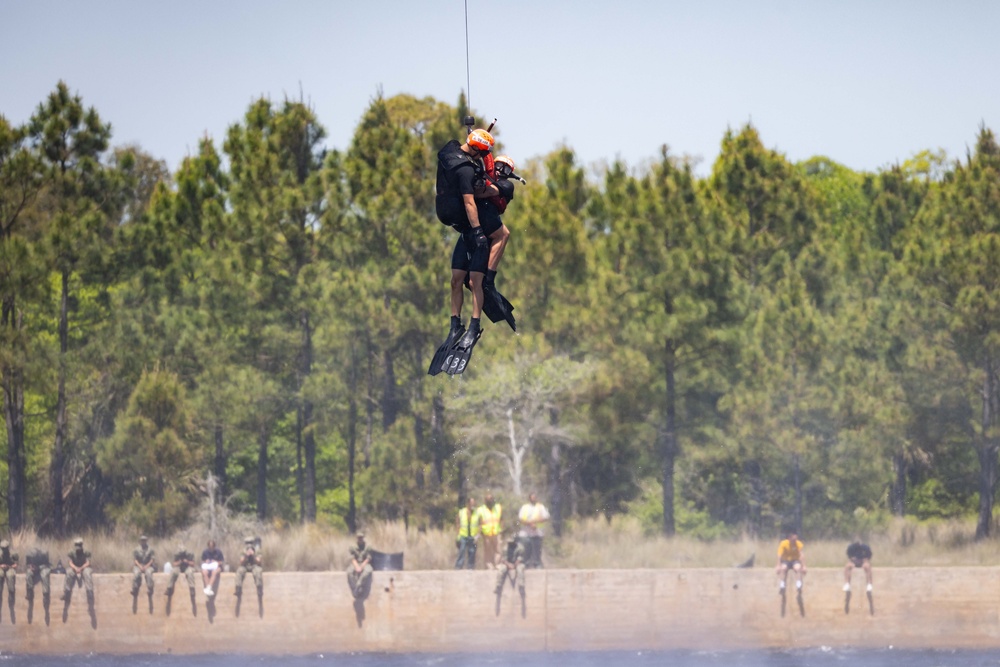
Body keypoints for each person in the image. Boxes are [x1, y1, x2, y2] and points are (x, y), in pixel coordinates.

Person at [429, 127, 502, 374]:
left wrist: (480, 232)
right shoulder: (466, 170)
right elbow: (470, 202)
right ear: (477, 151)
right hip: (469, 229)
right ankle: (455, 325)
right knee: (455, 280)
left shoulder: (449, 149)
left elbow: (478, 198)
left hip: (468, 229)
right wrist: (477, 230)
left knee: (474, 281)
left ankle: (473, 325)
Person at [61, 537, 94, 621]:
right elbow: (70, 562)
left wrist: (81, 568)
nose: (78, 548)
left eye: (79, 546)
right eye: (77, 546)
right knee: (68, 573)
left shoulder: (86, 552)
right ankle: (66, 593)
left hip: (84, 568)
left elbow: (88, 562)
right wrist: (75, 568)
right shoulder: (71, 552)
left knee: (87, 574)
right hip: (74, 568)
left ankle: (89, 592)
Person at [517, 493, 550, 568]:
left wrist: (536, 522)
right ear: (529, 499)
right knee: (525, 549)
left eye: (535, 497)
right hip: (525, 533)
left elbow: (546, 517)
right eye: (532, 497)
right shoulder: (524, 507)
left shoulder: (541, 507)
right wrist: (530, 524)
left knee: (537, 550)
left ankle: (537, 564)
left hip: (537, 532)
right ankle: (526, 564)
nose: (533, 499)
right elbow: (521, 518)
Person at [24, 546, 51, 625]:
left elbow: (47, 565)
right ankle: (29, 592)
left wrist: (38, 567)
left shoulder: (44, 554)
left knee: (44, 575)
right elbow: (27, 564)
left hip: (43, 568)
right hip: (34, 569)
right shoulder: (29, 555)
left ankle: (46, 594)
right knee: (28, 574)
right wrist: (31, 566)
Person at [477, 492, 504, 569]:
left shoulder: (498, 508)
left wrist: (501, 529)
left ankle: (497, 564)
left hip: (496, 532)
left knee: (498, 549)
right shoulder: (481, 510)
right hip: (486, 533)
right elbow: (479, 522)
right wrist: (480, 532)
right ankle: (489, 566)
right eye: (488, 499)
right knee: (488, 551)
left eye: (491, 499)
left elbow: (501, 519)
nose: (490, 501)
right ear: (485, 501)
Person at [455, 496, 480, 570]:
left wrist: (478, 535)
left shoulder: (477, 513)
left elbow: (480, 524)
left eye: (474, 503)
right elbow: (457, 523)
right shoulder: (462, 512)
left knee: (472, 552)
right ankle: (459, 566)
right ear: (468, 503)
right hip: (463, 535)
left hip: (473, 536)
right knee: (461, 550)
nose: (473, 505)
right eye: (471, 503)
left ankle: (470, 567)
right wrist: (458, 534)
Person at [346, 532, 373, 599]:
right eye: (359, 538)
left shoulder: (367, 546)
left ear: (363, 538)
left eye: (361, 538)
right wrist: (357, 566)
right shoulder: (352, 547)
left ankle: (358, 585)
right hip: (355, 563)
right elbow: (352, 558)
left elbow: (368, 558)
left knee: (368, 571)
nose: (360, 539)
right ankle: (355, 587)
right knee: (349, 572)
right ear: (357, 538)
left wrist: (362, 566)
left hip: (364, 563)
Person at [130, 535, 156, 604]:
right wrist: (140, 566)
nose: (143, 542)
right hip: (139, 565)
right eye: (142, 540)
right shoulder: (136, 549)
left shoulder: (150, 549)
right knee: (136, 573)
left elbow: (152, 560)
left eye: (144, 540)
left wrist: (146, 566)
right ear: (140, 541)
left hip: (148, 565)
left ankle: (150, 589)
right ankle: (134, 589)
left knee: (148, 573)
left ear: (146, 541)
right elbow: (135, 560)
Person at [0, 539, 17, 623]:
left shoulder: (12, 552)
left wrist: (12, 565)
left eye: (5, 548)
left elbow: (16, 562)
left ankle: (11, 602)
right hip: (0, 568)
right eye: (2, 548)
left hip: (9, 568)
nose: (4, 549)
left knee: (11, 577)